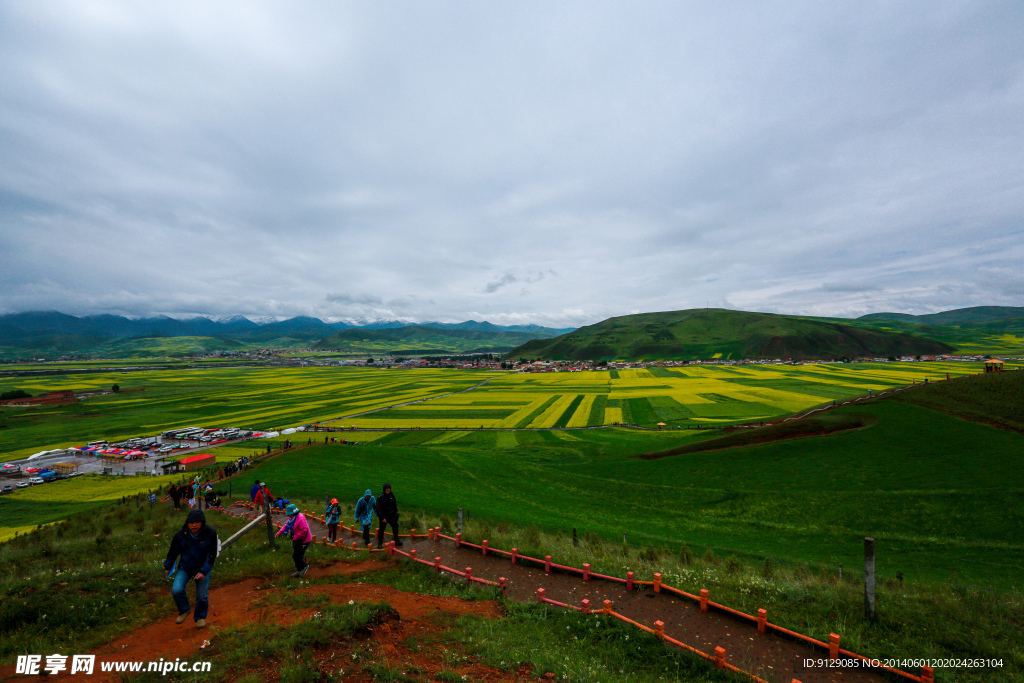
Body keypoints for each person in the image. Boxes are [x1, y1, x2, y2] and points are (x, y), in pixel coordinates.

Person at [163, 509, 218, 629]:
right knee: (176, 590)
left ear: (202, 522)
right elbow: (173, 552)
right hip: (186, 567)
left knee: (202, 595)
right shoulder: (181, 535)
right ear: (187, 523)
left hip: (203, 568)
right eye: (191, 522)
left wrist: (203, 571)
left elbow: (212, 555)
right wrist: (168, 566)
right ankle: (184, 610)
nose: (194, 525)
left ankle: (200, 617)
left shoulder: (210, 533)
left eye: (197, 522)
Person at [276, 504, 312, 577]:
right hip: (297, 539)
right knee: (296, 555)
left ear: (293, 513)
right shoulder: (291, 518)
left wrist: (295, 536)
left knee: (297, 555)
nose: (287, 516)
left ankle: (304, 567)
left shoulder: (301, 518)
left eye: (289, 514)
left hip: (304, 540)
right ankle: (299, 570)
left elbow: (304, 530)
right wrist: (280, 532)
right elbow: (287, 525)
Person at [375, 483, 402, 549]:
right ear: (384, 489)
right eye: (386, 489)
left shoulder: (391, 495)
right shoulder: (380, 497)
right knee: (382, 529)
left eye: (389, 489)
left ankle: (396, 540)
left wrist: (395, 512)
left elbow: (394, 504)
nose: (388, 490)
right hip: (384, 516)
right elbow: (378, 509)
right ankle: (380, 543)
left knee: (395, 526)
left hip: (391, 515)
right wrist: (382, 518)